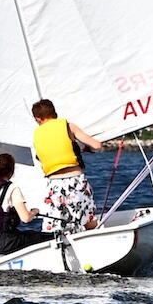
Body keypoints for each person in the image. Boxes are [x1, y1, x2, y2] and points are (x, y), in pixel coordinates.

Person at [30, 97, 104, 235]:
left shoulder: (36, 135)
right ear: (54, 112)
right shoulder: (68, 126)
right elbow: (97, 145)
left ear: (38, 118)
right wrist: (87, 148)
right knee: (88, 220)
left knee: (57, 226)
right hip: (75, 182)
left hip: (54, 186)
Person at [0, 151, 43, 255]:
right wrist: (34, 211)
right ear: (11, 170)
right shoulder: (12, 188)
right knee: (47, 237)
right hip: (8, 242)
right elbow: (26, 218)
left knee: (27, 235)